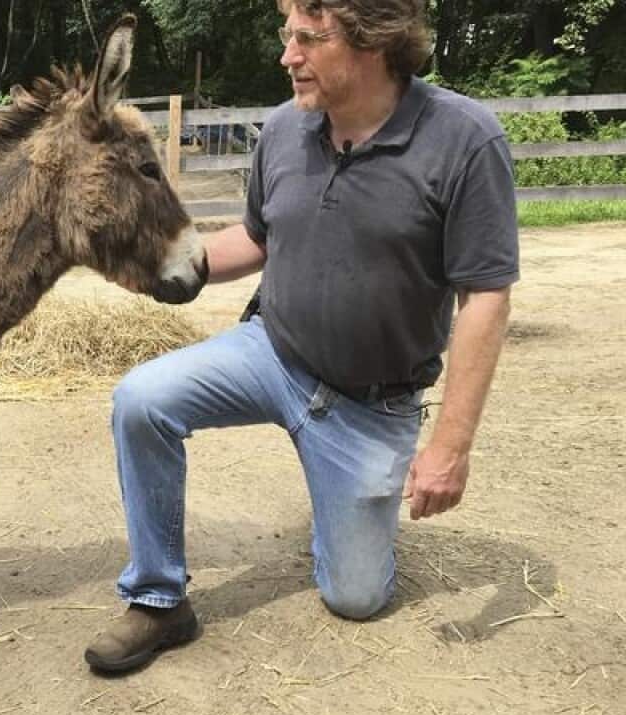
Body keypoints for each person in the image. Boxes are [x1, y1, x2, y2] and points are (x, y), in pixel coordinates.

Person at [84, 0, 519, 673]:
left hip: (370, 404)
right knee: (141, 400)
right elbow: (258, 238)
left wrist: (451, 447)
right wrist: (162, 272)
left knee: (355, 596)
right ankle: (158, 598)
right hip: (272, 351)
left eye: (310, 38)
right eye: (289, 35)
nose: (289, 55)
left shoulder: (463, 140)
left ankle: (341, 504)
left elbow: (486, 295)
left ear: (374, 43)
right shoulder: (285, 128)